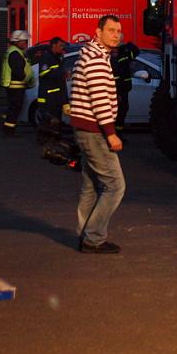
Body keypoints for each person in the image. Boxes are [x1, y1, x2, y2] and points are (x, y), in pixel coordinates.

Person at [70, 15, 126, 254]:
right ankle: (93, 238)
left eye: (119, 31)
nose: (116, 34)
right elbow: (100, 100)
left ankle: (85, 235)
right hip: (95, 131)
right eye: (111, 30)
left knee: (91, 186)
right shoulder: (96, 60)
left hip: (85, 129)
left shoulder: (91, 55)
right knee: (115, 186)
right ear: (98, 32)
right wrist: (111, 133)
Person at [0, 30, 35, 137]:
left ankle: (8, 129)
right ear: (17, 41)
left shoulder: (13, 51)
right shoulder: (15, 53)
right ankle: (9, 132)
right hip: (16, 86)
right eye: (24, 41)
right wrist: (26, 78)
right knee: (15, 109)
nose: (26, 43)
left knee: (13, 108)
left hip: (14, 86)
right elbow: (18, 71)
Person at [36, 37, 68, 143]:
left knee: (57, 119)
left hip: (57, 95)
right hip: (48, 95)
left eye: (63, 46)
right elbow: (43, 73)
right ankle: (42, 139)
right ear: (53, 45)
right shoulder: (46, 57)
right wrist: (61, 74)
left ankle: (54, 138)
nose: (62, 48)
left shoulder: (58, 57)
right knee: (47, 119)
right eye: (60, 46)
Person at [111, 37, 140, 136]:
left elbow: (136, 51)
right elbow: (115, 78)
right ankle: (114, 135)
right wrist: (117, 93)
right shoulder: (110, 59)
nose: (114, 50)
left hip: (124, 89)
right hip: (117, 90)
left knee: (123, 110)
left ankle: (118, 133)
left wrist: (127, 44)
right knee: (117, 112)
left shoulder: (124, 54)